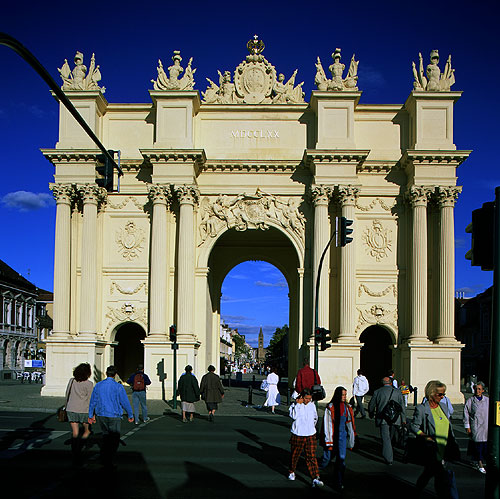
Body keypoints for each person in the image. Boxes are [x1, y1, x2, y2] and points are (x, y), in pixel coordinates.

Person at [410, 380, 460, 497]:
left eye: (444, 394)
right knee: (438, 475)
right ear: (431, 394)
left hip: (446, 448)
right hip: (432, 450)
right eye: (440, 394)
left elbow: (449, 427)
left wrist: (454, 442)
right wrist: (425, 436)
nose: (442, 397)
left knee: (440, 475)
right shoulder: (422, 409)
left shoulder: (443, 407)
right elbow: (413, 426)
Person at [88, 365, 134, 468]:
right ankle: (109, 459)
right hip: (114, 414)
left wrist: (91, 414)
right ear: (115, 375)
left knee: (105, 436)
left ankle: (104, 458)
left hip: (101, 413)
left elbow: (93, 401)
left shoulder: (99, 385)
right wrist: (130, 414)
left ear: (106, 373)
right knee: (114, 439)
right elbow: (124, 402)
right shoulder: (118, 386)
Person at [288, 388, 324, 488]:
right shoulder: (295, 405)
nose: (308, 400)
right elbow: (294, 416)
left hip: (310, 434)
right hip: (298, 433)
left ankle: (315, 477)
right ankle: (291, 471)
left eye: (310, 398)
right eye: (306, 398)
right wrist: (298, 404)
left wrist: (312, 427)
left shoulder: (312, 405)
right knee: (295, 455)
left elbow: (315, 418)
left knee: (311, 456)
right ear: (302, 397)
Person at [323, 386, 356, 490]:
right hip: (332, 436)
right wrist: (329, 441)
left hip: (342, 437)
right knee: (326, 459)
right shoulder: (331, 407)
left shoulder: (347, 407)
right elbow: (327, 425)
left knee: (341, 459)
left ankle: (338, 481)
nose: (344, 397)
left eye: (345, 395)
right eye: (342, 395)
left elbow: (350, 424)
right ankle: (315, 473)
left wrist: (352, 439)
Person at [368, 376, 406, 465]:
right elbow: (402, 407)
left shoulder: (377, 392)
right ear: (391, 383)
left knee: (386, 438)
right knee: (391, 437)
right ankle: (391, 453)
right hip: (396, 418)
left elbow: (371, 405)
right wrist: (403, 419)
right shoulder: (397, 392)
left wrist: (371, 413)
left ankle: (389, 458)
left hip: (383, 418)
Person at [65, 362, 93, 465]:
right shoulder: (89, 384)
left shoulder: (72, 381)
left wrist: (66, 406)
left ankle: (75, 451)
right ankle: (80, 448)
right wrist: (92, 412)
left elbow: (67, 394)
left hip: (71, 408)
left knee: (75, 433)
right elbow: (90, 399)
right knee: (87, 431)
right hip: (84, 410)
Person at [464, 381, 489, 474]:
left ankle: (478, 460)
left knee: (485, 446)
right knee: (478, 445)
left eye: (479, 389)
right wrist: (467, 427)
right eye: (476, 389)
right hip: (476, 426)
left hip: (485, 426)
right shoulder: (470, 401)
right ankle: (480, 463)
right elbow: (466, 414)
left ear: (483, 390)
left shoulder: (487, 400)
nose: (477, 391)